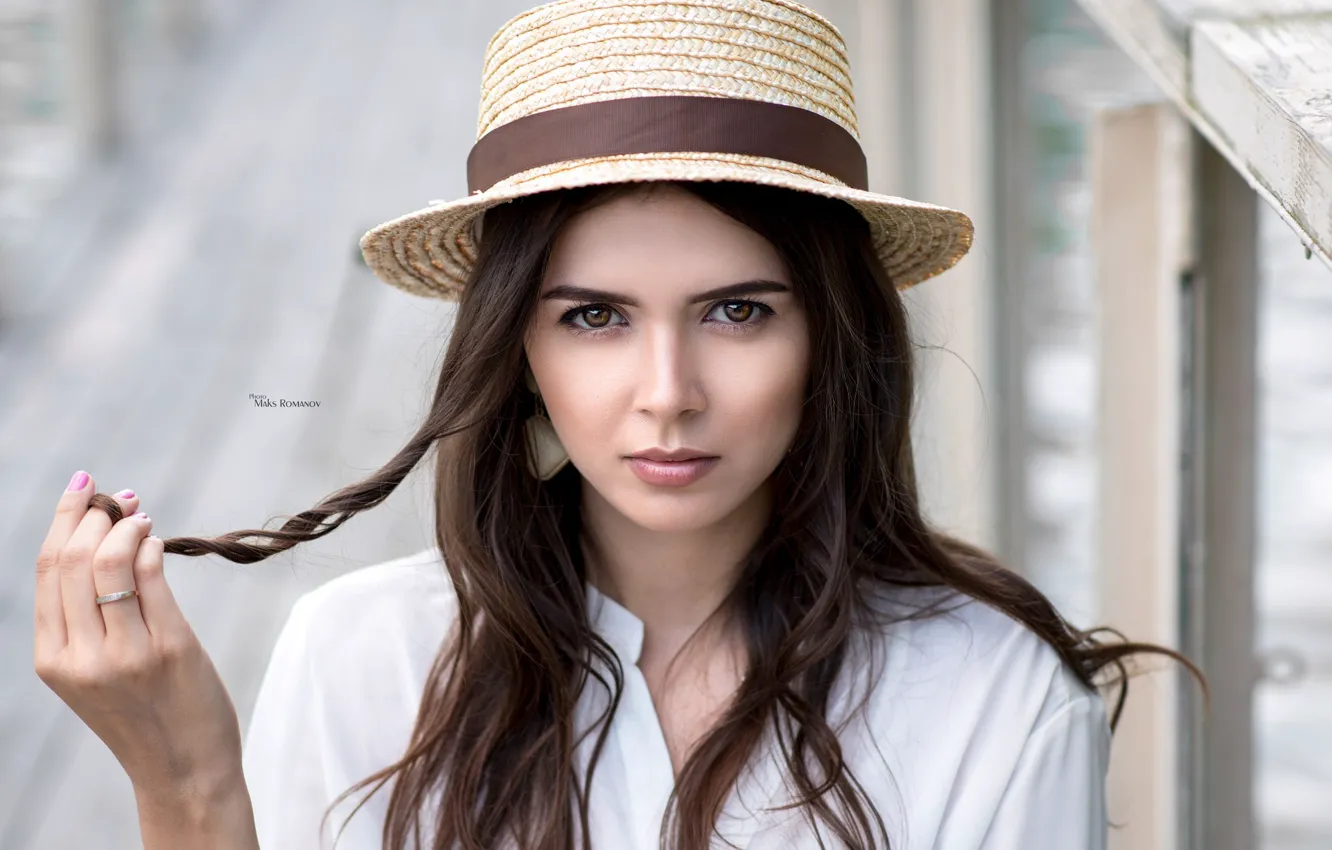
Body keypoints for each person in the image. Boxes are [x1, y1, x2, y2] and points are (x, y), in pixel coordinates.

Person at [32, 0, 1204, 848]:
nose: (667, 389)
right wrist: (183, 781)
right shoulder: (356, 658)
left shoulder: (993, 698)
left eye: (737, 312)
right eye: (593, 316)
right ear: (521, 352)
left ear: (832, 337)